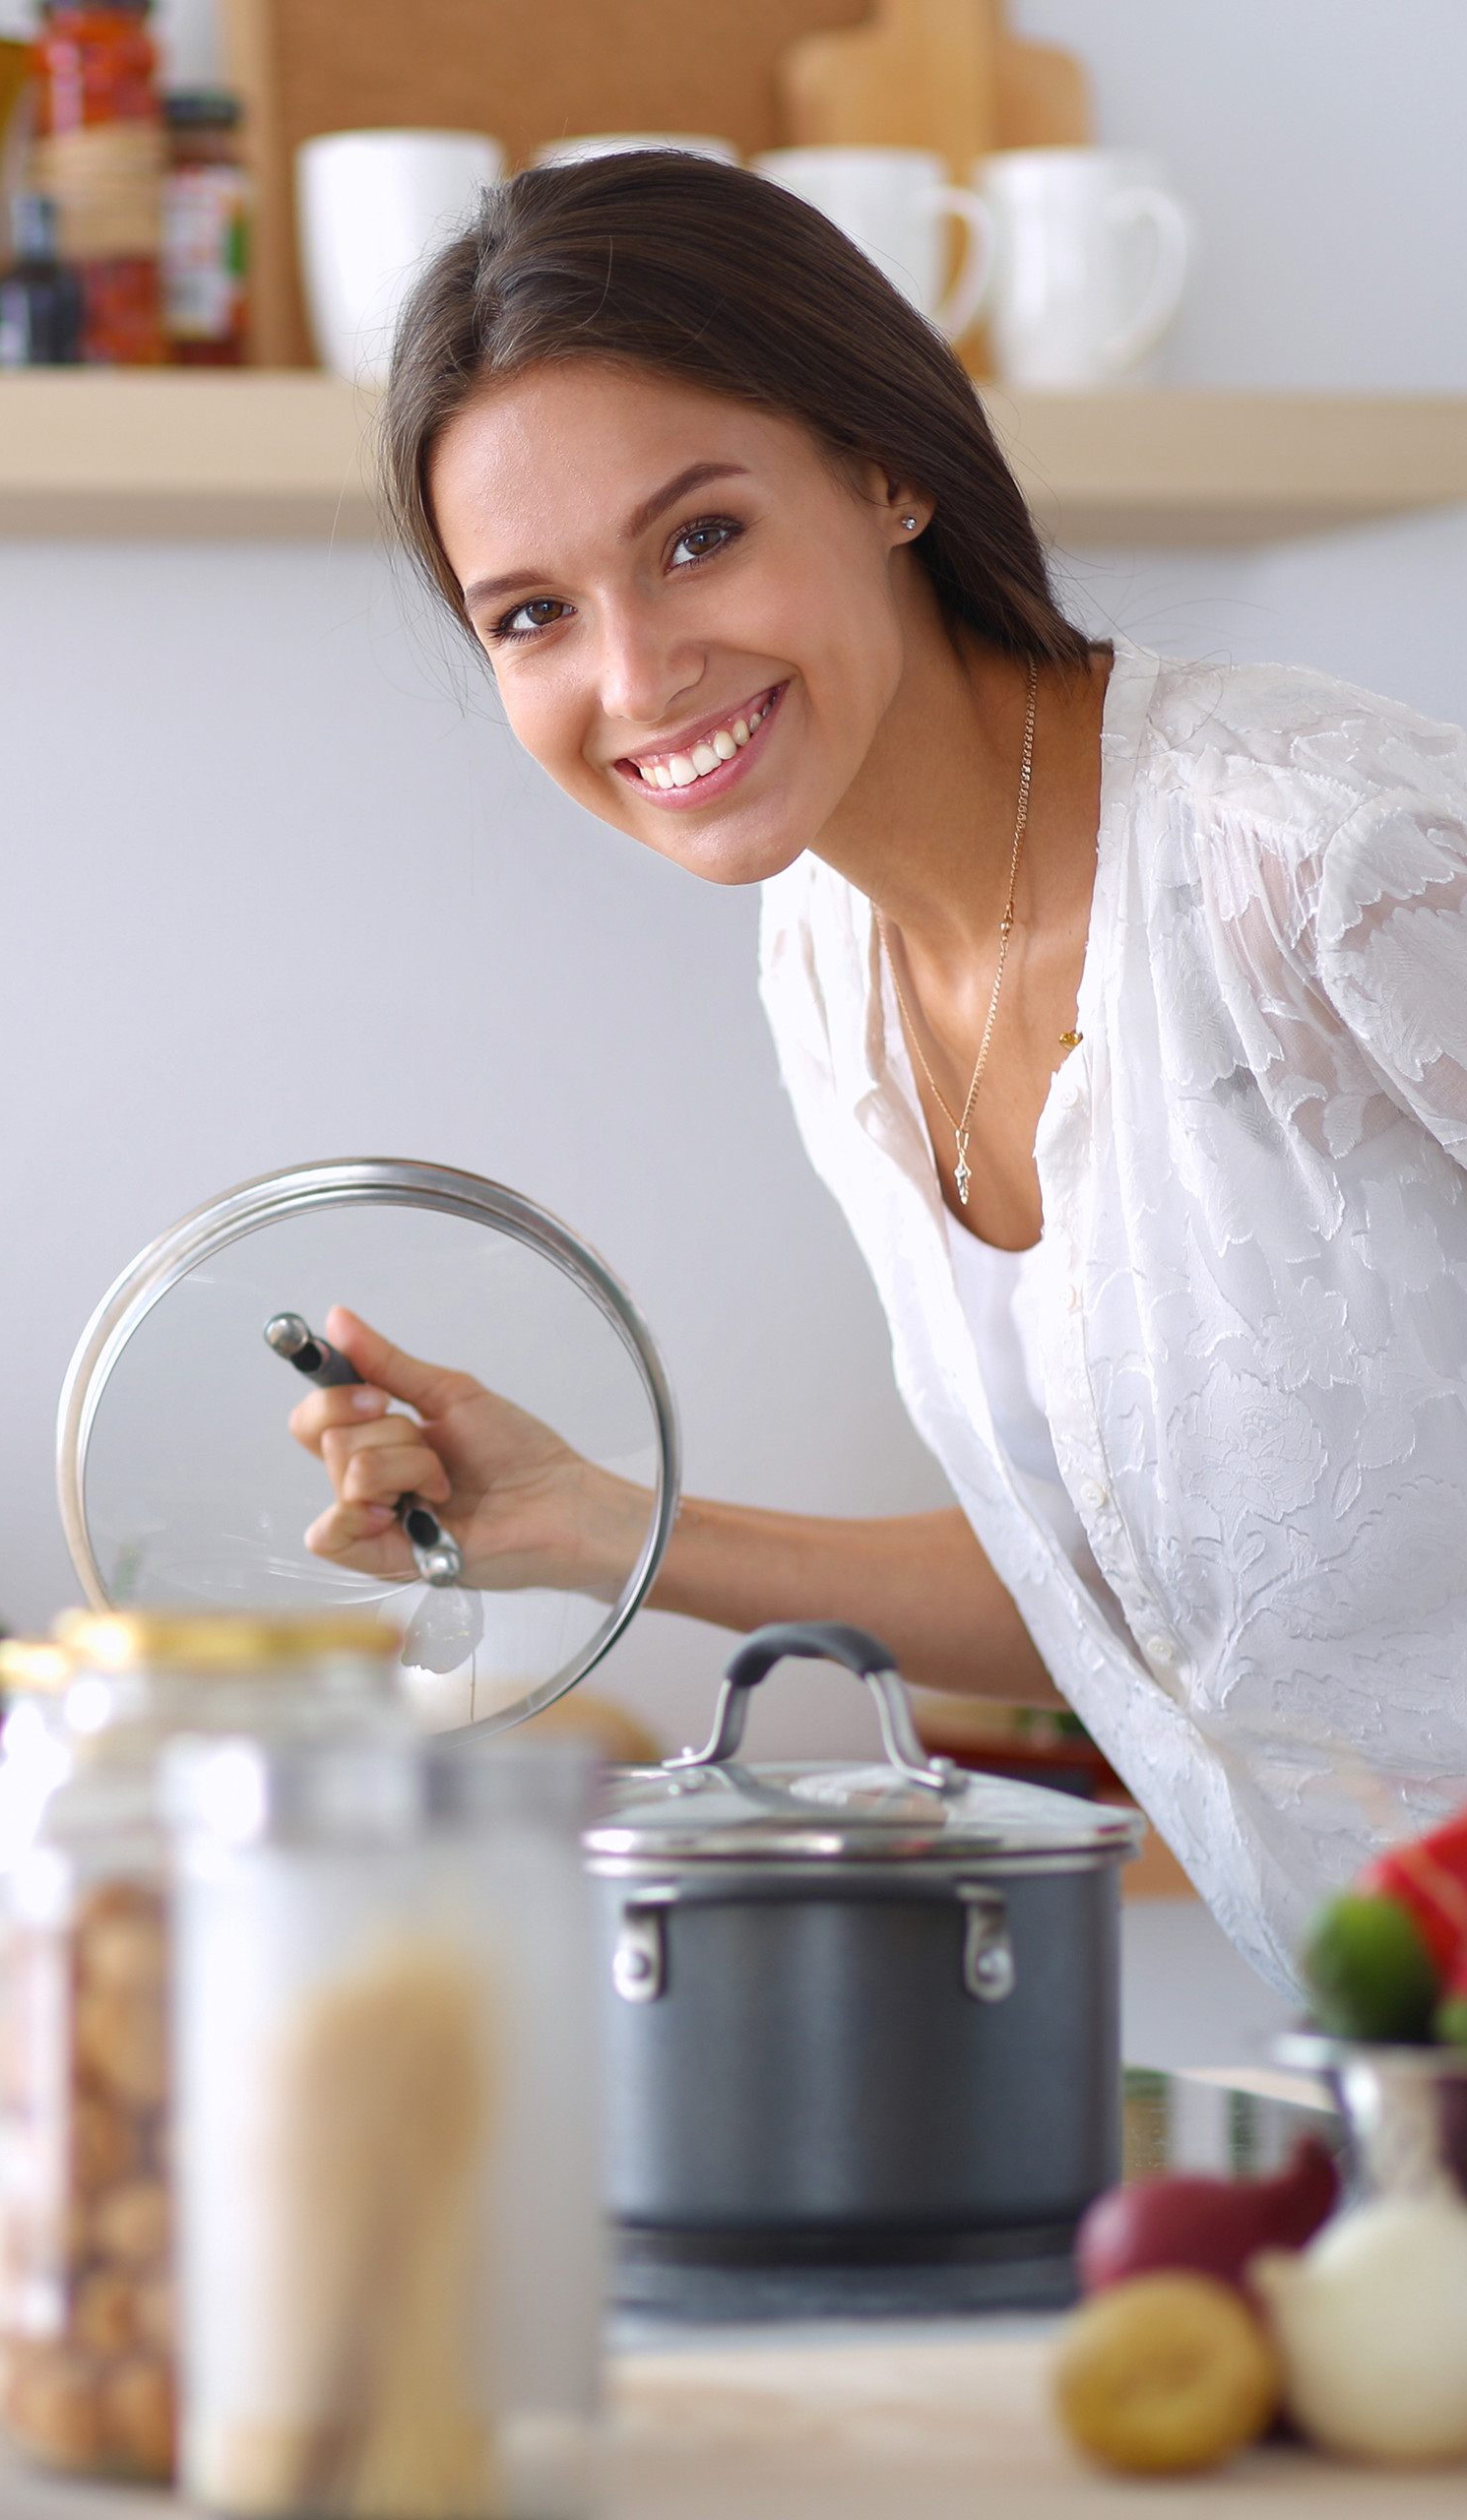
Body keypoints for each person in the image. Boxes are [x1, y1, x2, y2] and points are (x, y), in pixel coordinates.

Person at [289, 152, 1467, 1998]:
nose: (637, 675)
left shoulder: (1324, 856)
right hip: (1391, 2054)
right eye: (531, 615)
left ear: (887, 468)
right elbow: (1139, 1600)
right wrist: (596, 1528)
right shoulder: (827, 966)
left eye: (698, 537)